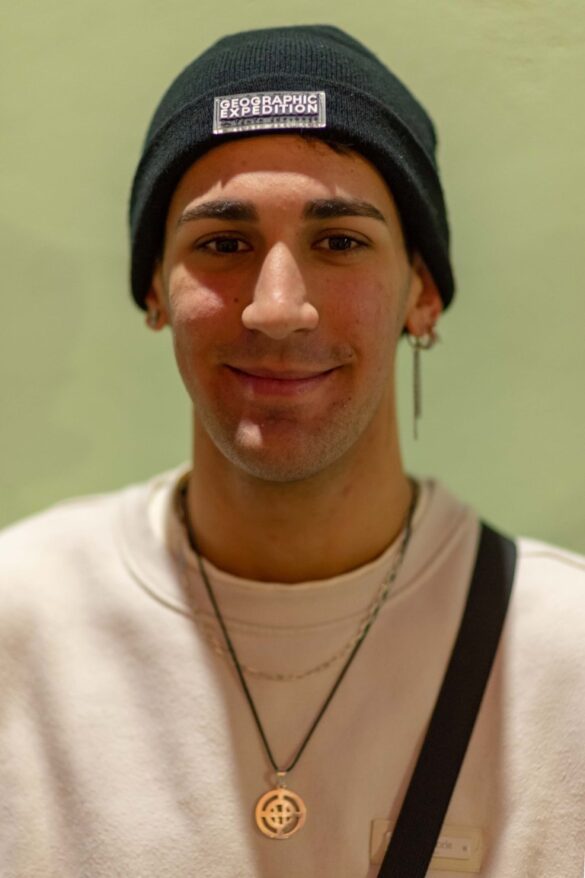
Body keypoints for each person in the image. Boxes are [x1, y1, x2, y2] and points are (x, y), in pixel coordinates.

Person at [1, 25, 583, 878]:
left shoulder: (564, 657)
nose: (277, 309)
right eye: (222, 244)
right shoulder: (19, 622)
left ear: (422, 293)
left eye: (339, 241)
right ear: (155, 290)